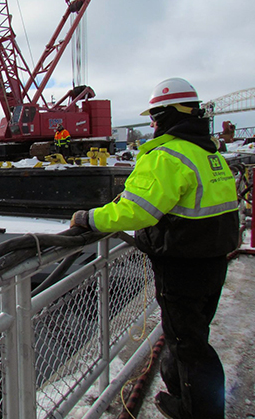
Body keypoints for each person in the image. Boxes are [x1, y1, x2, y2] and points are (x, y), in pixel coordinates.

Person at [70, 77, 239, 419]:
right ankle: (183, 399)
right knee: (192, 336)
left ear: (167, 114)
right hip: (213, 258)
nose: (151, 123)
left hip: (183, 264)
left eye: (154, 116)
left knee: (189, 345)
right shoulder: (208, 152)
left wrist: (88, 218)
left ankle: (200, 413)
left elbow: (135, 210)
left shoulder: (165, 156)